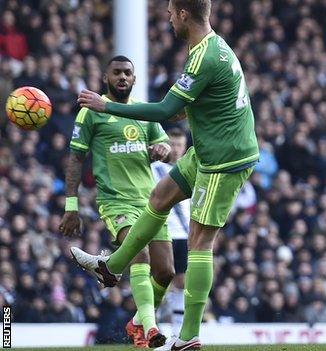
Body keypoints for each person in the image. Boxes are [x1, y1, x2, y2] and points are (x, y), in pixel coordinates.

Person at [70, 1, 259, 349]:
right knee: (159, 196)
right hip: (205, 149)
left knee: (200, 240)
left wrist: (106, 105)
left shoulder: (204, 57)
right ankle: (112, 266)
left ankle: (189, 335)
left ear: (184, 14)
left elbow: (165, 109)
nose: (168, 17)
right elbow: (178, 113)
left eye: (171, 11)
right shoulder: (208, 47)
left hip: (224, 160)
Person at [59, 55, 174, 348]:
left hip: (151, 201)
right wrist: (71, 206)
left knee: (166, 271)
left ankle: (137, 321)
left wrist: (162, 149)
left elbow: (166, 146)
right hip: (116, 201)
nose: (122, 77)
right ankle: (149, 329)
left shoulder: (142, 110)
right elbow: (75, 157)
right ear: (105, 78)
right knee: (140, 256)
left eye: (127, 73)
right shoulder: (91, 112)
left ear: (134, 80)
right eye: (117, 73)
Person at [150, 128, 190, 338]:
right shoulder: (153, 169)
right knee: (158, 279)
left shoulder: (190, 169)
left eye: (179, 145)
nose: (175, 149)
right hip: (159, 231)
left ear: (185, 147)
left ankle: (177, 331)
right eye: (172, 144)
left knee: (181, 281)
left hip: (183, 234)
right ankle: (150, 327)